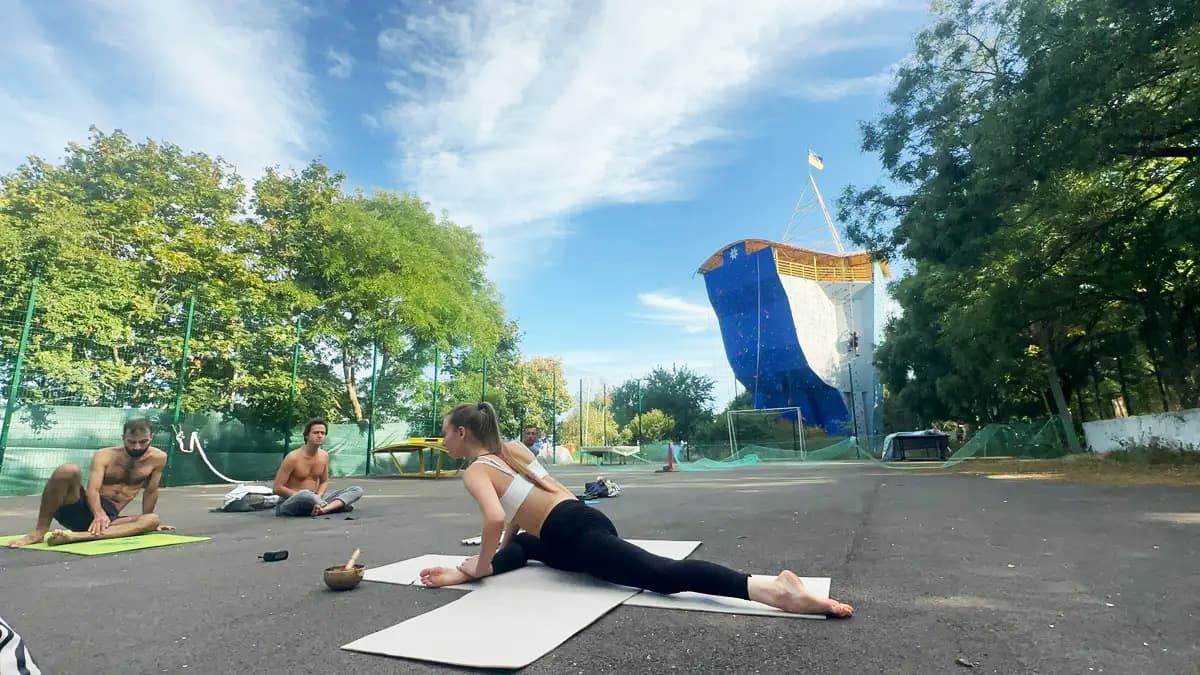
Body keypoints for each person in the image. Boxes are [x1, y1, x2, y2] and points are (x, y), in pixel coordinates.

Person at [419, 402, 854, 618]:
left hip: (573, 534)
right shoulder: (513, 449)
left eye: (445, 433)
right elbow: (517, 511)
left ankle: (772, 589)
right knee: (528, 548)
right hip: (579, 519)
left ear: (463, 433)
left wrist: (480, 566)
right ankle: (483, 566)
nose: (443, 441)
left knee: (661, 576)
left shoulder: (476, 470)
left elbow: (496, 517)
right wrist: (486, 560)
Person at [7, 418, 175, 548]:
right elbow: (92, 489)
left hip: (109, 519)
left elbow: (151, 490)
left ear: (151, 438)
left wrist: (145, 520)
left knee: (153, 519)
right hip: (80, 506)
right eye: (131, 442)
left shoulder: (158, 458)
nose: (137, 447)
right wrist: (98, 513)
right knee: (68, 469)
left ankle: (75, 537)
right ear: (123, 438)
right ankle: (40, 531)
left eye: (143, 441)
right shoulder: (105, 455)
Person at [272, 418, 363, 517]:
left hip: (315, 499)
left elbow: (324, 481)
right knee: (305, 494)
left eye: (322, 433)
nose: (319, 436)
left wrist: (317, 497)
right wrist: (307, 497)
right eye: (315, 433)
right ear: (307, 435)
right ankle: (332, 506)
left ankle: (323, 509)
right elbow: (277, 488)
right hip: (290, 502)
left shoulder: (324, 455)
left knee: (357, 490)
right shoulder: (293, 457)